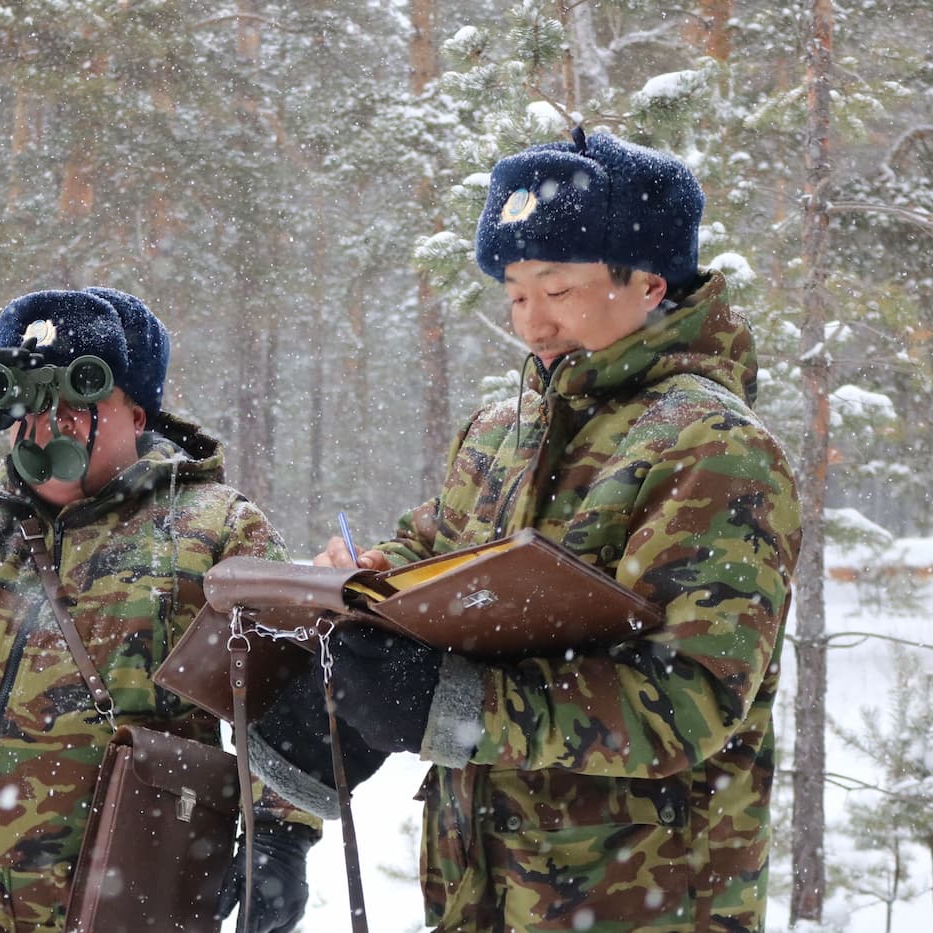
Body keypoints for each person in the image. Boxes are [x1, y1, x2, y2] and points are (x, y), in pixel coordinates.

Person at [248, 129, 802, 932]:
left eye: (558, 289)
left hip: (640, 903)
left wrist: (456, 706)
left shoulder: (715, 449)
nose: (531, 325)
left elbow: (689, 701)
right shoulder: (505, 430)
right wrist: (365, 582)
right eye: (514, 294)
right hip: (480, 892)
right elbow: (431, 550)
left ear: (650, 284)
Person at [0, 287, 318, 933]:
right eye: (35, 398)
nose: (55, 420)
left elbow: (285, 694)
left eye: (84, 393)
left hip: (127, 908)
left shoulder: (212, 528)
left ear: (138, 411)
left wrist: (280, 838)